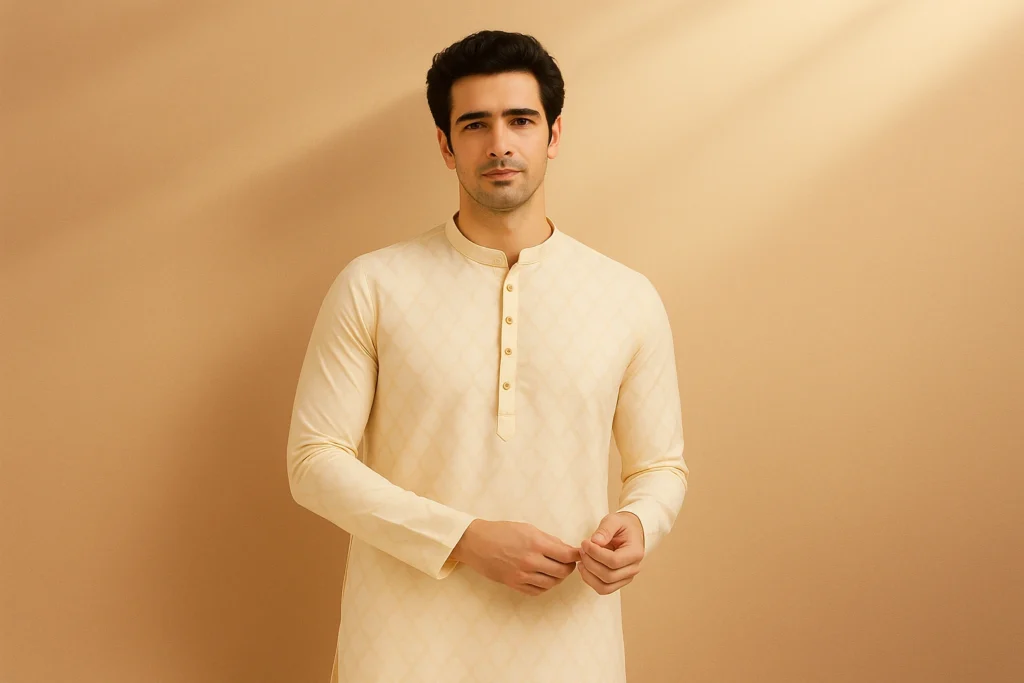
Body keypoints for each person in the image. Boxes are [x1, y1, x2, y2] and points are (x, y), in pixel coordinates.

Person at [286, 29, 689, 683]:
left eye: (521, 120)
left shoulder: (626, 297)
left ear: (554, 135)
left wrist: (641, 521)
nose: (500, 143)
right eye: (475, 124)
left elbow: (660, 465)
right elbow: (313, 461)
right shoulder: (376, 285)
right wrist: (464, 538)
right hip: (401, 647)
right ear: (446, 145)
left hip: (570, 646)